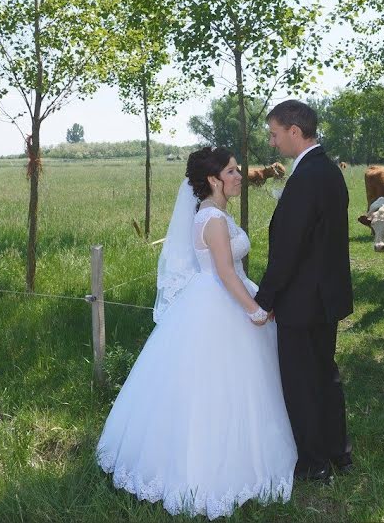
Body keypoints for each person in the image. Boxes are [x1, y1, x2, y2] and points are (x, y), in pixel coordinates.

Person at [96, 147, 297, 520]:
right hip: (219, 301)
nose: (240, 176)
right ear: (213, 180)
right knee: (216, 386)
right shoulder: (214, 220)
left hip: (215, 298)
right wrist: (254, 310)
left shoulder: (214, 213)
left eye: (237, 170)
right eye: (233, 171)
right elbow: (224, 272)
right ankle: (207, 471)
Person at [255, 100, 354, 482]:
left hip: (301, 299)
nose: (273, 142)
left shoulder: (307, 176)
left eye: (275, 134)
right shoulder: (328, 170)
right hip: (325, 295)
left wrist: (266, 299)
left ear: (295, 132)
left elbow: (290, 247)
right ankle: (338, 452)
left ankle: (313, 464)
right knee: (325, 374)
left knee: (301, 382)